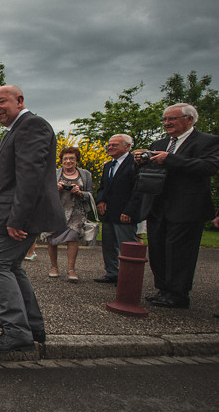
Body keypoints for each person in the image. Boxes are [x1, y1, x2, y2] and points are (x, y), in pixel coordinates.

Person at [0, 85, 65, 352]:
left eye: (1, 102)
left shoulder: (32, 125)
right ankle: (32, 326)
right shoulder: (17, 129)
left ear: (19, 100)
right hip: (14, 215)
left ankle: (16, 331)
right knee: (11, 266)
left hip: (17, 217)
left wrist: (17, 218)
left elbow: (31, 177)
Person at [136, 103, 219, 309]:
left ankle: (178, 293)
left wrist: (171, 159)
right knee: (158, 249)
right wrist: (143, 161)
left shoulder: (206, 141)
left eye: (171, 119)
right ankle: (163, 288)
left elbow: (209, 167)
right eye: (164, 120)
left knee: (180, 252)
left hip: (186, 207)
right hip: (158, 206)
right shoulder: (160, 142)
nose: (166, 123)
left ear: (189, 119)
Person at [94, 134, 140, 284]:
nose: (110, 147)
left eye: (115, 145)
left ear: (127, 146)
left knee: (126, 246)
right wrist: (100, 200)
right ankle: (112, 273)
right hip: (108, 212)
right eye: (109, 145)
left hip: (125, 212)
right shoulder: (108, 165)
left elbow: (137, 190)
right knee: (108, 245)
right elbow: (103, 187)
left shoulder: (134, 164)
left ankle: (129, 277)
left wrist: (130, 210)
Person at [45, 146, 93, 282]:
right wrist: (56, 189)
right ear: (61, 161)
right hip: (56, 210)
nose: (68, 161)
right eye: (65, 158)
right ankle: (53, 267)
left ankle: (71, 269)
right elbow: (45, 192)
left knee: (73, 238)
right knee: (51, 237)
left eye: (71, 158)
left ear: (77, 160)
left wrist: (80, 192)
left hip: (76, 211)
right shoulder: (54, 174)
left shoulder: (85, 174)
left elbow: (90, 194)